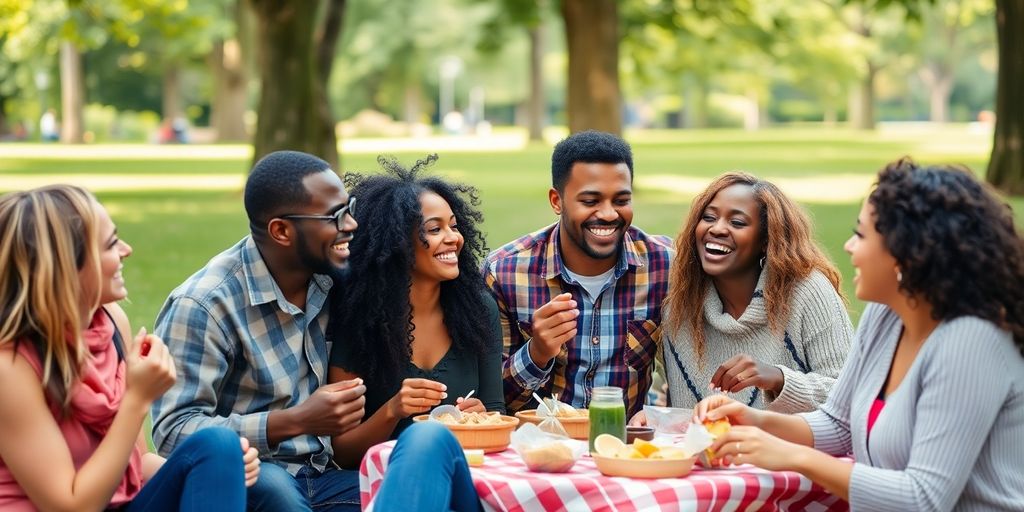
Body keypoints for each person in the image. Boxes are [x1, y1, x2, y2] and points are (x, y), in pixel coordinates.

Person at [697, 159, 1024, 510]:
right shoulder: (886, 316)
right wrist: (755, 421)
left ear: (906, 254)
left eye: (862, 235)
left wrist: (794, 456)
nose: (849, 247)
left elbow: (924, 499)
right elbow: (838, 424)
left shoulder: (972, 342)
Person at [0, 185, 258, 511]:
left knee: (219, 448)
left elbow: (135, 466)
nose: (127, 249)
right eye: (110, 245)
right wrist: (137, 398)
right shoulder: (10, 365)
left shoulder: (111, 322)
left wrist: (213, 468)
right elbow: (71, 506)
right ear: (65, 265)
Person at [151, 151, 367, 511]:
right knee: (277, 490)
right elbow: (174, 433)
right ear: (281, 231)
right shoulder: (205, 305)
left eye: (350, 208)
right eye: (335, 216)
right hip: (253, 475)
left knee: (413, 489)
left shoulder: (333, 276)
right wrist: (294, 421)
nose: (351, 225)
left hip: (325, 474)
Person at [326, 155, 504, 468]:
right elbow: (342, 453)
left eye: (454, 225)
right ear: (397, 244)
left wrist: (483, 419)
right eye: (434, 229)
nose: (453, 238)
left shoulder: (478, 310)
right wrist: (392, 410)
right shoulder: (359, 318)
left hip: (460, 475)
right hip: (384, 480)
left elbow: (497, 419)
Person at [483, 130, 674, 418]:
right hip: (538, 451)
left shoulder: (666, 266)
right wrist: (537, 352)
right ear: (557, 201)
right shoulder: (505, 272)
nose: (609, 214)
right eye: (590, 201)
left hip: (626, 448)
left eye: (621, 200)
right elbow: (489, 400)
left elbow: (689, 368)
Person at [634, 172, 851, 422]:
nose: (717, 228)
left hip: (791, 457)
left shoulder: (807, 291)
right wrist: (658, 419)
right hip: (710, 459)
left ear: (766, 240)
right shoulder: (681, 308)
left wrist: (778, 379)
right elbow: (695, 421)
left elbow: (848, 394)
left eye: (737, 223)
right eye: (709, 218)